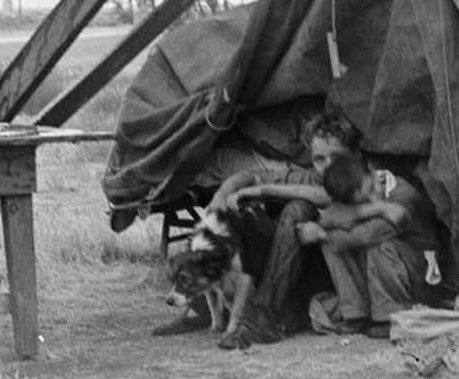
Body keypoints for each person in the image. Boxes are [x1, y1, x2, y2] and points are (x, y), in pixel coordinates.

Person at [169, 114, 360, 349]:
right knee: (241, 215)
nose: (328, 166)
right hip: (293, 278)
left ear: (355, 156)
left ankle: (262, 315)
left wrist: (263, 191)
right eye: (319, 159)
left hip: (335, 282)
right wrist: (221, 195)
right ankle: (217, 305)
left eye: (338, 157)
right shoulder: (311, 177)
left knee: (296, 209)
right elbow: (250, 175)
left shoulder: (363, 180)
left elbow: (328, 197)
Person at [300, 151, 445, 338]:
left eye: (372, 189)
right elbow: (332, 215)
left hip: (420, 276)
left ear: (373, 171)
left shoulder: (404, 193)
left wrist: (322, 232)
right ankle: (356, 314)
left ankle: (390, 316)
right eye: (363, 199)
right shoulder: (355, 194)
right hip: (384, 276)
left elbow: (369, 234)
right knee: (333, 243)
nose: (373, 198)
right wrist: (372, 209)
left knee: (376, 244)